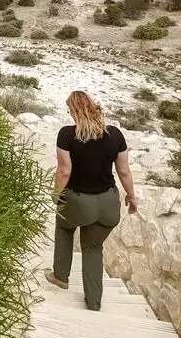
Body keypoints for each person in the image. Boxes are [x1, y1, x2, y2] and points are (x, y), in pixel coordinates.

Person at [44, 90, 138, 311]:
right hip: (108, 203)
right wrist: (131, 197)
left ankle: (61, 276)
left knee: (64, 226)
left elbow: (64, 171)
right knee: (93, 249)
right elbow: (124, 171)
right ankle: (94, 302)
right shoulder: (114, 134)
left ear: (74, 111)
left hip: (79, 200)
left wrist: (56, 194)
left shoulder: (67, 135)